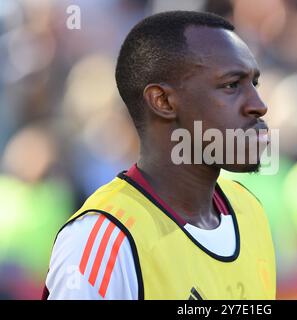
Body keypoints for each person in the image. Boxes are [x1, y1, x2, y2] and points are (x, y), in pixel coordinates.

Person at [43, 10, 276, 300]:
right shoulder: (105, 236)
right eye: (231, 85)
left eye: (254, 84)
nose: (259, 105)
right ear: (163, 101)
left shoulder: (249, 210)